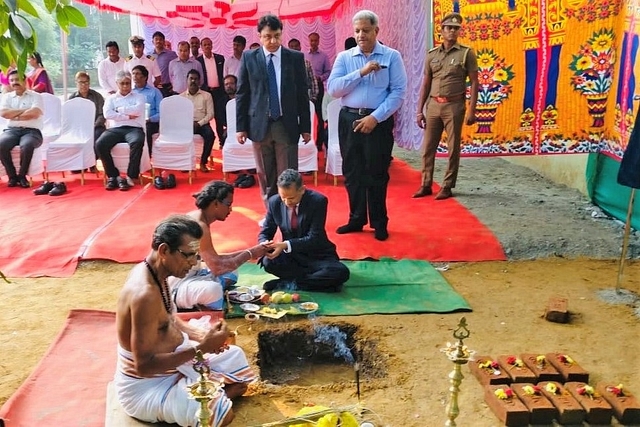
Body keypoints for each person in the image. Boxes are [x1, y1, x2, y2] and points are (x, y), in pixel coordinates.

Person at [114, 214, 256, 427]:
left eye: (196, 255)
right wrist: (202, 349)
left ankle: (215, 395)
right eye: (188, 255)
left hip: (177, 363)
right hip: (148, 386)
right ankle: (217, 398)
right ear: (164, 251)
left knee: (234, 356)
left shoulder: (157, 273)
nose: (193, 263)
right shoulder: (143, 295)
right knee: (223, 416)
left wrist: (200, 335)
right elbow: (143, 367)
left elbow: (170, 318)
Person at [327, 10, 407, 241]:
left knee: (377, 173)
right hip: (349, 120)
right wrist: (360, 72)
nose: (361, 35)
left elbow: (398, 92)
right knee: (352, 172)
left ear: (376, 31)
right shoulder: (345, 58)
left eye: (366, 30)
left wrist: (376, 118)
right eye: (357, 31)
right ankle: (356, 219)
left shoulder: (391, 57)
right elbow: (334, 89)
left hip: (377, 122)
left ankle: (379, 223)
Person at [236, 14, 311, 206]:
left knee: (288, 175)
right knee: (265, 175)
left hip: (286, 124)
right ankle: (271, 214)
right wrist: (240, 127)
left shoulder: (295, 58)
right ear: (259, 36)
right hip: (259, 125)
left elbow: (302, 94)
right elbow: (242, 93)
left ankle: (291, 213)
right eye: (268, 36)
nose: (273, 41)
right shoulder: (249, 58)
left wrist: (306, 127)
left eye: (277, 36)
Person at [169, 182, 268, 310]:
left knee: (232, 271)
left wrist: (252, 251)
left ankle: (205, 296)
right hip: (176, 286)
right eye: (228, 204)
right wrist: (251, 253)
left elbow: (213, 259)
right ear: (215, 203)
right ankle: (207, 298)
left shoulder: (199, 218)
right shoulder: (200, 225)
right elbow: (217, 267)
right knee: (214, 289)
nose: (230, 209)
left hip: (194, 275)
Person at [413, 12, 478, 201]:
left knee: (452, 148)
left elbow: (474, 82)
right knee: (427, 147)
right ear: (441, 30)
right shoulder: (432, 55)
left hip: (454, 105)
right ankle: (426, 184)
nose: (452, 31)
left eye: (456, 28)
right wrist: (419, 110)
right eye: (449, 27)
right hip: (434, 104)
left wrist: (472, 110)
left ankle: (447, 186)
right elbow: (425, 83)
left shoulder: (466, 53)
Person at [258, 169, 350, 292]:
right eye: (283, 198)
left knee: (340, 272)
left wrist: (285, 244)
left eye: (291, 198)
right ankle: (314, 282)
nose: (286, 202)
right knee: (267, 261)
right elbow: (266, 231)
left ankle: (289, 282)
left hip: (317, 255)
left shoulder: (318, 201)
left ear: (302, 190)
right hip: (291, 256)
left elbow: (314, 237)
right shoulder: (274, 202)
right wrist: (264, 243)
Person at [97, 70, 146, 191]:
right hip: (115, 129)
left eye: (128, 83)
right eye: (122, 83)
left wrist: (119, 110)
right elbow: (107, 114)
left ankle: (131, 175)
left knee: (138, 141)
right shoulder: (111, 98)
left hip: (134, 128)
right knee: (100, 144)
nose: (125, 86)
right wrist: (127, 116)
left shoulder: (139, 97)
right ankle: (113, 176)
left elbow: (138, 111)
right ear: (117, 83)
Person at [0, 70, 43, 188]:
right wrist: (25, 112)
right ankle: (12, 176)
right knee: (1, 144)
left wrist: (13, 115)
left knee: (27, 145)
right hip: (12, 130)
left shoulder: (36, 96)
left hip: (32, 131)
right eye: (12, 80)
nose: (14, 82)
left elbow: (35, 112)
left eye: (17, 79)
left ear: (24, 81)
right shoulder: (7, 97)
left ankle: (22, 176)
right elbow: (3, 113)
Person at [69, 71, 105, 173]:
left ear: (89, 83)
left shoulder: (97, 96)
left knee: (99, 136)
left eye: (86, 82)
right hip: (78, 127)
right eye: (81, 82)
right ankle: (80, 163)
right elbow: (69, 117)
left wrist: (94, 124)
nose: (84, 85)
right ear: (76, 83)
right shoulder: (72, 98)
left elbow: (102, 114)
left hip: (96, 126)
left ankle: (92, 162)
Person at [180, 69, 215, 173]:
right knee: (180, 136)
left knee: (210, 136)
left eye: (196, 79)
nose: (193, 81)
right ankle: (186, 163)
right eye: (191, 78)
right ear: (187, 80)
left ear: (199, 81)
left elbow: (211, 114)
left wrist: (199, 124)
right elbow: (180, 116)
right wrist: (188, 124)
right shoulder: (181, 97)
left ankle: (203, 162)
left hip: (202, 124)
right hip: (187, 125)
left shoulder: (207, 96)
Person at [197, 37, 226, 146]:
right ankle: (208, 141)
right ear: (201, 47)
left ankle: (221, 141)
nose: (207, 46)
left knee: (219, 117)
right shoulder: (198, 61)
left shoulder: (220, 58)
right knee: (206, 116)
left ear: (212, 45)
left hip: (218, 92)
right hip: (206, 92)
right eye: (205, 45)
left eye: (209, 44)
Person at [305, 32, 331, 150]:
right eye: (312, 40)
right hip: (306, 88)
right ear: (309, 41)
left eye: (316, 40)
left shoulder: (324, 56)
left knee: (319, 115)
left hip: (318, 87)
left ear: (319, 41)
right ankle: (306, 139)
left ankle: (319, 144)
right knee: (306, 113)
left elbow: (328, 72)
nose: (314, 43)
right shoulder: (304, 55)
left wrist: (321, 77)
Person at [131, 65, 163, 156]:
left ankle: (147, 157)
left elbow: (161, 112)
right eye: (133, 74)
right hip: (134, 121)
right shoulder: (131, 92)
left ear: (145, 77)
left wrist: (150, 119)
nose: (134, 76)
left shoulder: (155, 92)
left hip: (150, 122)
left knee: (146, 130)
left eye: (137, 74)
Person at [288, 38, 319, 105]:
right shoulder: (284, 64)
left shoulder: (307, 63)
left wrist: (313, 97)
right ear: (288, 49)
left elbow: (313, 80)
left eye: (296, 46)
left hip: (305, 96)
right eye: (292, 47)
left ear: (300, 47)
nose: (294, 48)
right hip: (289, 98)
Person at [149, 31, 178, 97]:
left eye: (160, 39)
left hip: (167, 87)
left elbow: (177, 69)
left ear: (164, 41)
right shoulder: (149, 55)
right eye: (156, 39)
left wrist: (174, 83)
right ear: (152, 42)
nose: (158, 41)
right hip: (154, 86)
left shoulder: (171, 54)